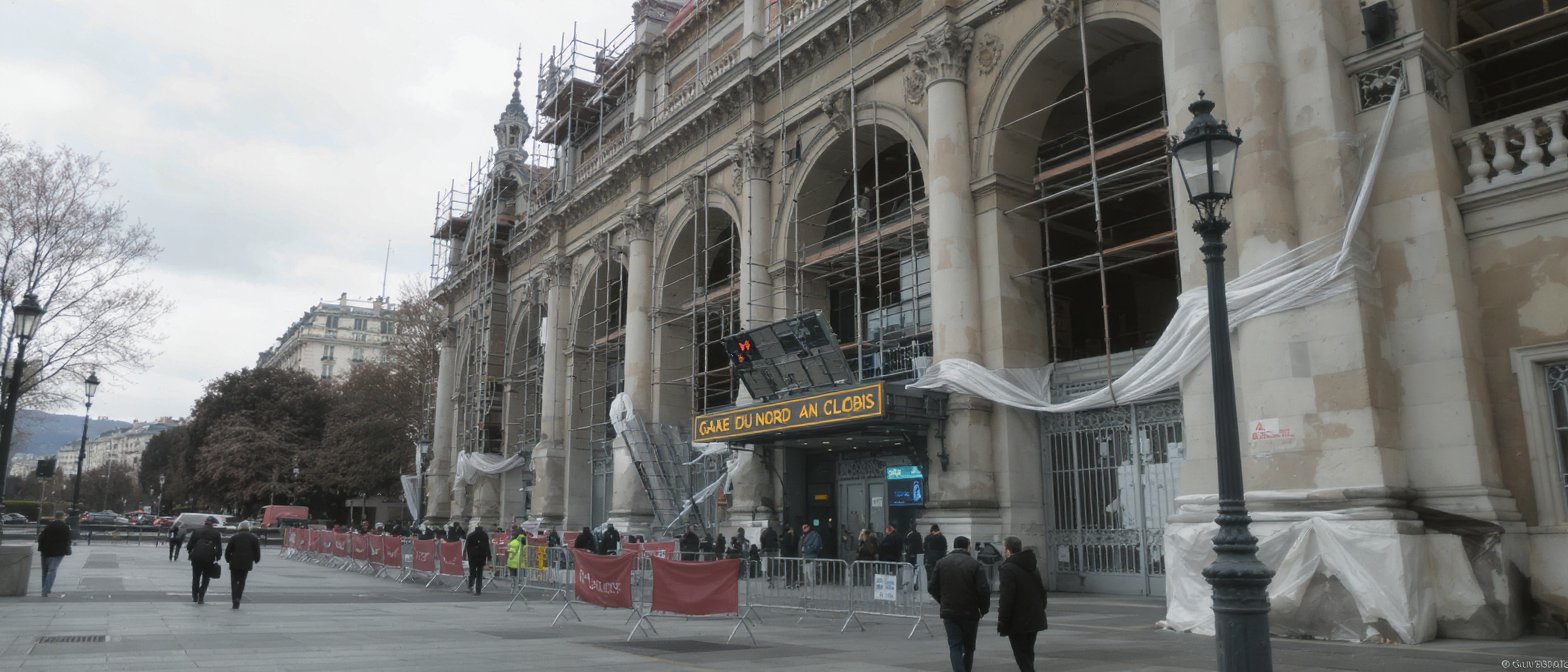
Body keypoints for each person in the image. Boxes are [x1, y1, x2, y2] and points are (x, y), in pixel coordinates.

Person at [929, 536, 989, 672]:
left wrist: (942, 600)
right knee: (969, 647)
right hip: (970, 611)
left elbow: (932, 586)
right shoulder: (975, 564)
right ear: (968, 546)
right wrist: (983, 609)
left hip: (949, 611)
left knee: (954, 646)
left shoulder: (941, 563)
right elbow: (983, 589)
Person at [996, 536, 1047, 672]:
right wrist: (1040, 609)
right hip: (1034, 616)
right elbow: (1042, 591)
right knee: (1028, 652)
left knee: (1020, 653)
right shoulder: (1032, 565)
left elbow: (1007, 598)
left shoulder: (1008, 568)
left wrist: (1002, 621)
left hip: (1018, 620)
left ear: (1007, 549)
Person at [186, 516, 224, 605]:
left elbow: (189, 545)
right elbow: (219, 547)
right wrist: (217, 557)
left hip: (196, 558)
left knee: (196, 577)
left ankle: (195, 596)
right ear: (213, 523)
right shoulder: (216, 533)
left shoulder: (197, 531)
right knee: (206, 578)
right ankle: (201, 595)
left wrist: (191, 552)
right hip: (208, 558)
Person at [225, 521, 262, 609]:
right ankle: (238, 597)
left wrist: (228, 559)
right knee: (242, 581)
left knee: (234, 581)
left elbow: (228, 550)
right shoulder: (253, 538)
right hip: (246, 562)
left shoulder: (234, 537)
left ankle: (234, 599)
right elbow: (257, 551)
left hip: (234, 562)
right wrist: (256, 560)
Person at [35, 511, 71, 598]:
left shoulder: (48, 526)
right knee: (52, 570)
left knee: (45, 571)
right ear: (63, 517)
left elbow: (41, 538)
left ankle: (44, 588)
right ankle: (47, 589)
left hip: (46, 551)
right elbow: (68, 539)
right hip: (58, 552)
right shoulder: (65, 527)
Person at [464, 524, 491, 596]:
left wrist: (465, 554)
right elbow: (487, 546)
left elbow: (467, 546)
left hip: (472, 556)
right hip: (481, 556)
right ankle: (478, 588)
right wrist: (489, 556)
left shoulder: (471, 535)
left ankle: (470, 585)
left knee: (472, 571)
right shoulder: (485, 535)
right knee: (479, 572)